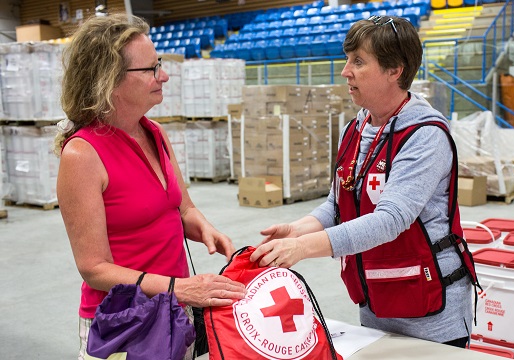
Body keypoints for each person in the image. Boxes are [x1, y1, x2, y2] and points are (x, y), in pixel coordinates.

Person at [250, 15, 479, 348]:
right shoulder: (354, 130)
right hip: (375, 302)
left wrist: (302, 249)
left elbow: (390, 220)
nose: (346, 71)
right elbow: (337, 204)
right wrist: (297, 230)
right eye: (347, 60)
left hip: (431, 312)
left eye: (358, 61)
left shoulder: (425, 135)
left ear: (394, 70)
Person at [54, 14, 246, 360]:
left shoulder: (155, 133)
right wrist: (181, 288)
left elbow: (182, 207)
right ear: (109, 81)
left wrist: (205, 229)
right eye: (151, 69)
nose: (164, 75)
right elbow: (94, 267)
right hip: (124, 324)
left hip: (173, 310)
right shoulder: (82, 155)